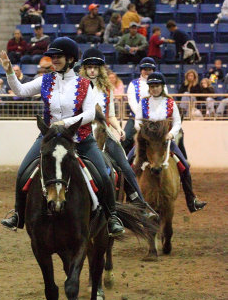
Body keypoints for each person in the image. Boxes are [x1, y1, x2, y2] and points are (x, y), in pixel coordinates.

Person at [0, 37, 124, 237]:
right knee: (23, 172)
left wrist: (64, 123)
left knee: (103, 175)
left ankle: (112, 217)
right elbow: (21, 91)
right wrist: (9, 72)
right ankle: (18, 215)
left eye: (59, 56)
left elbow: (90, 114)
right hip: (49, 138)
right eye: (53, 56)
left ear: (71, 59)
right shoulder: (46, 80)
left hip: (80, 139)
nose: (54, 60)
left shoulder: (84, 84)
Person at [79, 48, 158, 219]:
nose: (92, 70)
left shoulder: (107, 89)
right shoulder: (77, 87)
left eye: (95, 67)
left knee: (123, 164)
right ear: (84, 68)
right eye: (89, 67)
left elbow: (111, 116)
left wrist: (119, 128)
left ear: (100, 69)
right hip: (81, 131)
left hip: (103, 131)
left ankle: (139, 204)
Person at [135, 72, 207, 213]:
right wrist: (144, 132)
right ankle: (130, 199)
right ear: (149, 87)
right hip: (147, 142)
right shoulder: (143, 102)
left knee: (184, 166)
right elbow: (137, 121)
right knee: (128, 162)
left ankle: (191, 199)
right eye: (152, 86)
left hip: (165, 141)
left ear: (162, 87)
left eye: (157, 86)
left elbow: (177, 122)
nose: (155, 88)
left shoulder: (170, 103)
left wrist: (171, 134)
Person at [123, 57, 157, 154]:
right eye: (145, 69)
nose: (147, 72)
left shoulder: (160, 84)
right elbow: (132, 101)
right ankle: (123, 165)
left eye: (149, 69)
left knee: (172, 140)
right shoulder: (133, 84)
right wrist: (141, 115)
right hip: (135, 118)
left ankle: (182, 164)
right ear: (141, 70)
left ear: (153, 70)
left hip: (155, 119)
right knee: (125, 139)